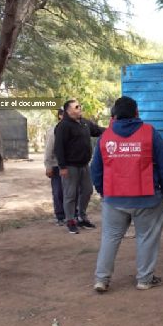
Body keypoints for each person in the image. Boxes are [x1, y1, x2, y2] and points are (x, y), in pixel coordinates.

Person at [90, 96, 163, 292]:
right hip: (147, 199)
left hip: (114, 199)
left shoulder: (105, 137)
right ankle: (144, 279)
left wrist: (103, 192)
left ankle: (101, 279)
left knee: (110, 237)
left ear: (115, 115)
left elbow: (96, 170)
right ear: (136, 113)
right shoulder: (150, 133)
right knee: (146, 237)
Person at [55, 99, 105, 234]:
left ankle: (82, 217)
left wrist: (114, 129)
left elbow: (98, 130)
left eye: (79, 106)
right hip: (70, 166)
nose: (79, 108)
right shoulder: (63, 126)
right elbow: (58, 147)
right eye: (76, 107)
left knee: (87, 191)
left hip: (84, 165)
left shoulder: (85, 123)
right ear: (68, 110)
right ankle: (70, 220)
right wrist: (62, 167)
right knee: (70, 194)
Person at [44, 109, 66, 225]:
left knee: (71, 191)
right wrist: (48, 166)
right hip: (56, 166)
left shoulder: (72, 129)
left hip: (70, 166)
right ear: (60, 116)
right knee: (58, 191)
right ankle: (60, 216)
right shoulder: (54, 131)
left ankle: (72, 214)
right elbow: (48, 149)